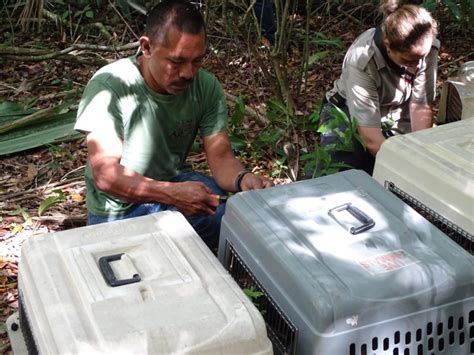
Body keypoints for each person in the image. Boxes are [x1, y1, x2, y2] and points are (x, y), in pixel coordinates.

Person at [74, 0, 273, 249]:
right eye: (177, 62)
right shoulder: (111, 85)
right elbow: (107, 177)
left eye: (197, 61)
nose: (188, 73)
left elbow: (221, 159)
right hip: (119, 209)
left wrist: (243, 179)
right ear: (146, 47)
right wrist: (171, 194)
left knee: (234, 216)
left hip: (171, 183)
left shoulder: (206, 87)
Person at [317, 0, 439, 175]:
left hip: (395, 110)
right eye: (408, 61)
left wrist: (420, 153)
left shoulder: (425, 46)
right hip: (347, 112)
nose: (417, 66)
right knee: (344, 171)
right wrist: (407, 171)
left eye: (422, 58)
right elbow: (371, 139)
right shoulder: (361, 59)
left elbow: (420, 106)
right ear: (388, 44)